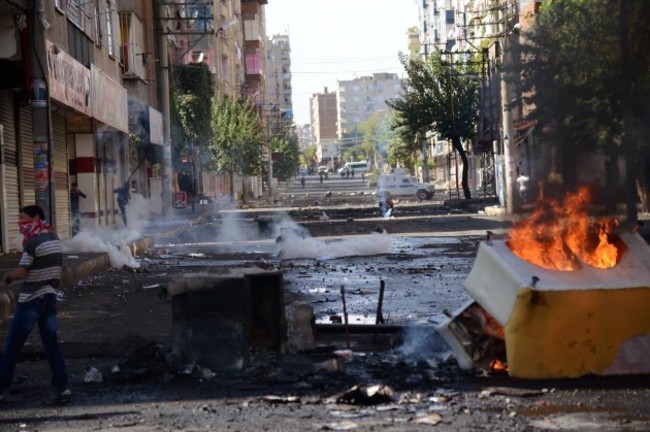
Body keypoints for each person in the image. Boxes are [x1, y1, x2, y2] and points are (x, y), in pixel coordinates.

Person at [0, 205, 71, 403]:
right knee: (51, 343)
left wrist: (8, 276)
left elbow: (23, 272)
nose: (20, 222)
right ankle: (62, 385)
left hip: (31, 300)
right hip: (49, 297)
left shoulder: (32, 243)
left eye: (23, 217)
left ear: (36, 217)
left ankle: (2, 385)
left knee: (13, 344)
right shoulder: (54, 238)